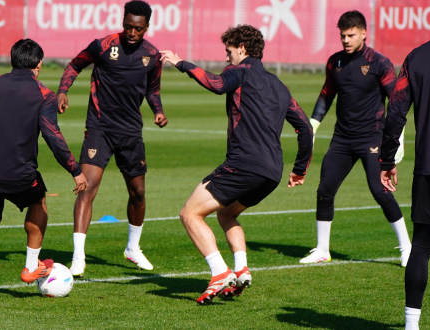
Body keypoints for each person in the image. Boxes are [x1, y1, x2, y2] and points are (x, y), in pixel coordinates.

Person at [160, 24, 313, 304]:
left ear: (241, 49)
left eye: (228, 51)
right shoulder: (279, 86)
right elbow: (305, 127)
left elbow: (216, 84)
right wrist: (299, 169)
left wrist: (180, 62)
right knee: (227, 214)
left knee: (189, 214)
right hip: (272, 172)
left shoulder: (239, 71)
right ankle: (241, 269)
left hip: (244, 164)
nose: (226, 57)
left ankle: (220, 272)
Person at [0, 39, 88, 304]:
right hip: (20, 173)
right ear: (39, 64)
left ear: (13, 60)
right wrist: (75, 169)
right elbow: (52, 135)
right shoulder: (44, 94)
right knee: (39, 200)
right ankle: (31, 266)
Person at [57, 0, 167, 277]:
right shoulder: (103, 45)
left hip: (131, 132)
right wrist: (63, 90)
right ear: (123, 23)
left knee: (138, 193)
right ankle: (78, 257)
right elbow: (74, 64)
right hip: (99, 129)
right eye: (128, 26)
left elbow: (152, 90)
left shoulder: (152, 55)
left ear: (147, 27)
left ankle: (132, 248)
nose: (132, 32)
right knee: (87, 188)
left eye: (138, 29)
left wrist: (158, 111)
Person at [299, 10, 411, 266]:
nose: (346, 40)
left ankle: (407, 247)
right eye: (342, 35)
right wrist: (313, 124)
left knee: (379, 190)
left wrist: (398, 140)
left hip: (372, 137)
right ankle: (322, 250)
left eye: (351, 35)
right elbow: (327, 94)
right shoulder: (334, 62)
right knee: (325, 189)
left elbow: (397, 103)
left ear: (363, 33)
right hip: (342, 139)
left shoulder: (380, 63)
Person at [380, 2, 430, 329]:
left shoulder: (416, 57)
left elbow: (395, 113)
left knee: (419, 249)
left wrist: (388, 159)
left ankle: (411, 325)